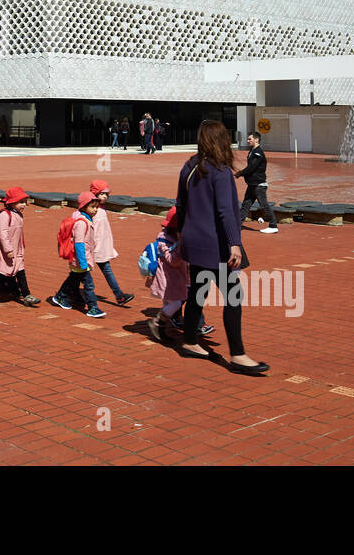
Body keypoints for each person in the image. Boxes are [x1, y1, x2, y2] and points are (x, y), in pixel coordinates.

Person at [175, 120, 269, 375]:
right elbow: (227, 212)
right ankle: (237, 356)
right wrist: (235, 243)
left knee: (198, 291)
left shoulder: (190, 166)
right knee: (233, 296)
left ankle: (190, 342)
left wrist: (182, 234)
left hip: (193, 240)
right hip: (215, 243)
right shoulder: (221, 171)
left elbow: (180, 205)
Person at [145, 207, 213, 341]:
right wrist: (181, 243)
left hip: (178, 277)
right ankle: (157, 322)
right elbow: (173, 260)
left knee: (175, 302)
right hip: (167, 277)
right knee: (176, 303)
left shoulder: (177, 237)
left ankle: (162, 329)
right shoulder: (164, 240)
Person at [0, 186, 40, 306]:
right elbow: (2, 234)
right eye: (20, 202)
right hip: (2, 249)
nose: (24, 205)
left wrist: (19, 248)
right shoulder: (4, 216)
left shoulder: (18, 215)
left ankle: (26, 294)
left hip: (15, 249)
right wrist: (8, 249)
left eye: (24, 202)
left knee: (19, 270)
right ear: (11, 202)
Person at [49, 192, 105, 318]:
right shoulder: (81, 223)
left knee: (73, 279)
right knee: (89, 285)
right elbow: (79, 245)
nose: (96, 210)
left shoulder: (87, 220)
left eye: (97, 207)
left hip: (81, 260)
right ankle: (93, 308)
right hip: (80, 261)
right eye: (93, 207)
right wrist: (83, 262)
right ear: (84, 207)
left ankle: (60, 296)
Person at [87, 180, 135, 305]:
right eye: (101, 194)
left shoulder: (101, 208)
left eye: (106, 194)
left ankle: (119, 295)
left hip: (101, 247)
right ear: (95, 193)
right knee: (80, 273)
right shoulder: (92, 209)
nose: (104, 197)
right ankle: (66, 293)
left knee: (83, 273)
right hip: (93, 247)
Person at [236, 131, 280, 233]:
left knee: (264, 205)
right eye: (247, 139)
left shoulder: (258, 153)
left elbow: (251, 167)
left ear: (256, 140)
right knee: (246, 205)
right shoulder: (252, 151)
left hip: (259, 185)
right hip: (252, 184)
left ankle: (273, 225)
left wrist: (240, 173)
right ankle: (237, 225)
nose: (247, 141)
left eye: (249, 139)